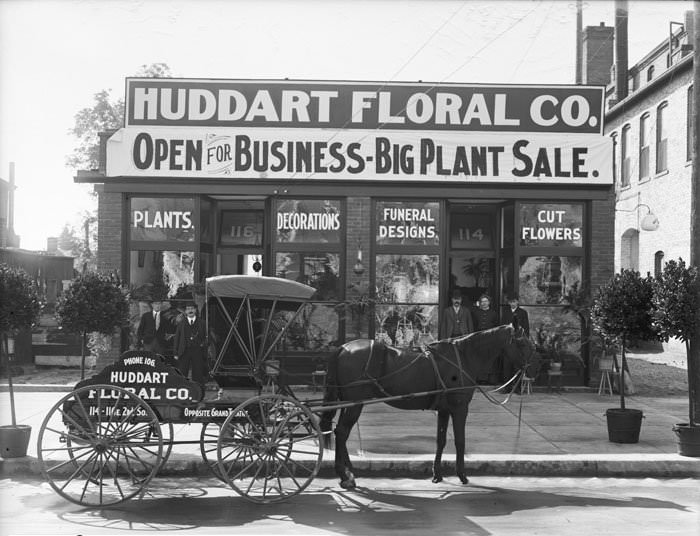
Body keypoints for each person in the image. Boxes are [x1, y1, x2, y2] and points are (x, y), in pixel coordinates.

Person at [173, 301, 208, 390]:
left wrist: (202, 344)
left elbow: (207, 337)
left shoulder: (202, 323)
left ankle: (198, 391)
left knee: (198, 372)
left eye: (192, 308)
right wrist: (176, 353)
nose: (190, 310)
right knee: (182, 372)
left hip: (197, 351)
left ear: (195, 310)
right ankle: (182, 390)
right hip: (184, 351)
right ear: (185, 311)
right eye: (188, 309)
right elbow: (177, 338)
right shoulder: (181, 323)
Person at [503, 293, 530, 390]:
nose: (512, 304)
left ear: (517, 302)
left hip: (518, 342)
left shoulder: (522, 312)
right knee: (507, 365)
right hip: (508, 342)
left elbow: (526, 328)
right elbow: (502, 327)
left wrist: (524, 341)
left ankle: (518, 388)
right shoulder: (505, 312)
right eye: (510, 302)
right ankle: (507, 387)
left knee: (517, 365)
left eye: (514, 301)